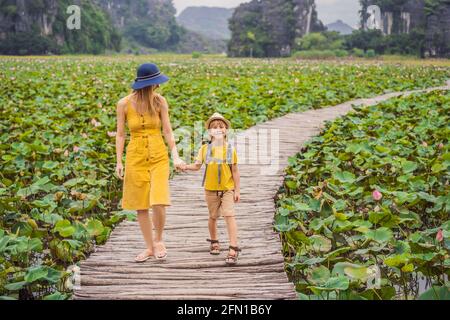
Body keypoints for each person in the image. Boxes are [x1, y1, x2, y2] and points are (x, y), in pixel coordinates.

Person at [115, 63, 185, 262]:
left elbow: (168, 131)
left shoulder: (160, 102)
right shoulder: (123, 104)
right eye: (154, 84)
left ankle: (159, 239)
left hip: (158, 154)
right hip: (135, 156)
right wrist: (118, 161)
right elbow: (121, 134)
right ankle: (149, 247)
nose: (157, 87)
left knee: (159, 199)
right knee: (141, 204)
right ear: (145, 84)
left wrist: (175, 154)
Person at [181, 113, 242, 265]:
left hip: (227, 189)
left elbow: (235, 171)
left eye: (221, 127)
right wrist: (185, 166)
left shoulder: (230, 149)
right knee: (213, 216)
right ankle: (214, 240)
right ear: (209, 132)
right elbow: (197, 166)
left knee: (229, 215)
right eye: (214, 127)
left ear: (226, 130)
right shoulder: (204, 149)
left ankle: (233, 248)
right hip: (210, 189)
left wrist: (237, 190)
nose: (218, 129)